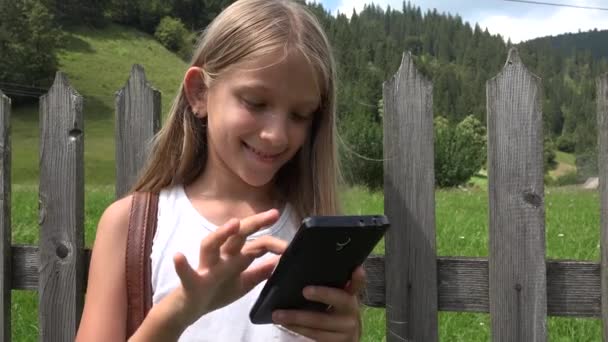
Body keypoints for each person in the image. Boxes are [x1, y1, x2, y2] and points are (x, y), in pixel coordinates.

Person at [75, 0, 365, 341]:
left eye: (300, 115)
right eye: (255, 103)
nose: (277, 134)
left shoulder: (316, 239)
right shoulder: (130, 227)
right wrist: (179, 310)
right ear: (199, 93)